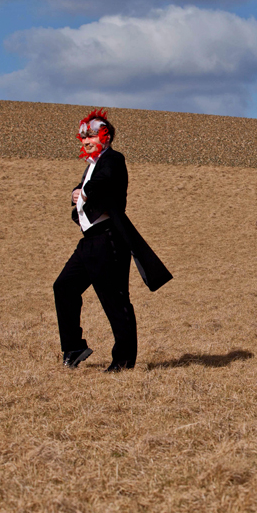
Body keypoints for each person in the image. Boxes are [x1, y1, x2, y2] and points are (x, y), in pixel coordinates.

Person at [53, 108, 172, 372]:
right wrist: (75, 191)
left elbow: (103, 185)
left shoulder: (113, 160)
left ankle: (124, 361)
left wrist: (82, 192)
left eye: (92, 135)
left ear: (105, 138)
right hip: (89, 241)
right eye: (83, 136)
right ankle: (73, 347)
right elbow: (87, 189)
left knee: (115, 300)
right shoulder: (92, 165)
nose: (86, 140)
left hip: (109, 240)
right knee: (64, 287)